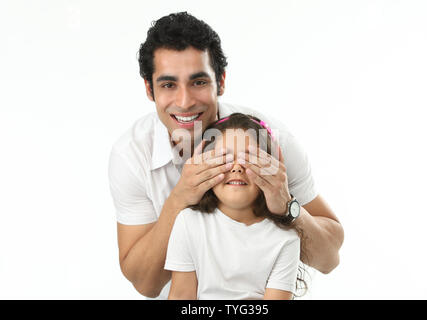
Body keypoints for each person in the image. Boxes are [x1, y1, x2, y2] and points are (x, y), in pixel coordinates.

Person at [108, 12, 344, 299]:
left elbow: (329, 259)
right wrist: (179, 199)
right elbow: (146, 285)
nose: (184, 102)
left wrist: (287, 205)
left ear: (220, 81)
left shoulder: (270, 141)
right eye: (168, 85)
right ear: (150, 89)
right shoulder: (132, 156)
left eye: (198, 82)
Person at [165, 113, 304, 300]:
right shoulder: (188, 223)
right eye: (224, 157)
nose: (237, 167)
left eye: (249, 158)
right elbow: (181, 297)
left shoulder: (286, 239)